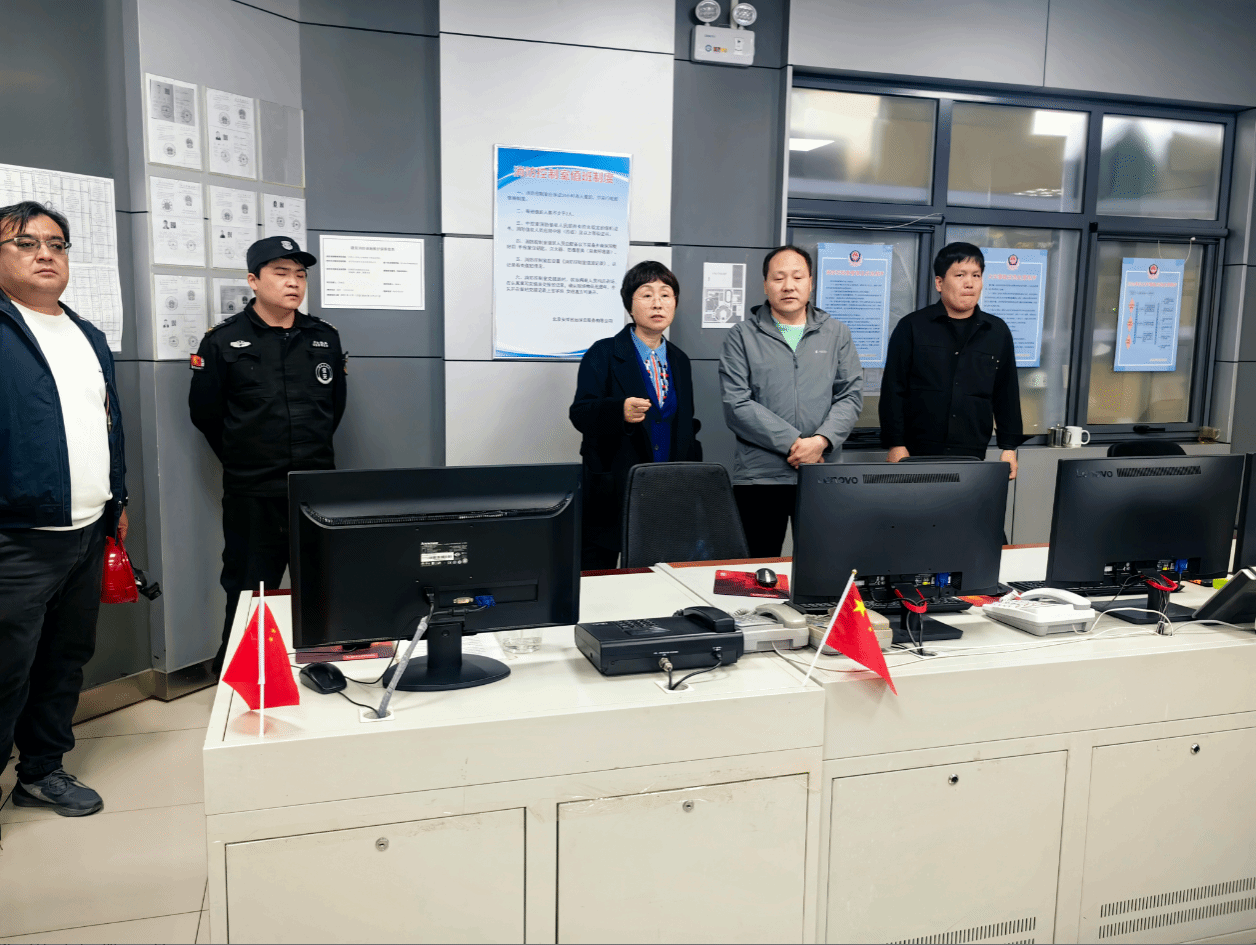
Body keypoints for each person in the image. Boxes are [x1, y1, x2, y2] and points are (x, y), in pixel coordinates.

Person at [0, 200, 128, 818]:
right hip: (16, 537)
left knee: (63, 663)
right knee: (4, 672)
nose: (45, 254)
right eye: (25, 243)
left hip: (85, 532)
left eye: (56, 244)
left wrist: (117, 499)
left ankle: (41, 772)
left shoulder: (87, 335)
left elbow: (109, 425)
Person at [189, 237, 346, 673]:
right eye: (281, 273)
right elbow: (206, 415)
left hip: (315, 490)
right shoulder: (223, 341)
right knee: (248, 589)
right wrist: (248, 458)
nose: (293, 283)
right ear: (253, 281)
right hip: (254, 492)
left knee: (320, 588)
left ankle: (318, 672)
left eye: (300, 275)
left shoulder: (324, 337)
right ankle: (238, 683)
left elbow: (333, 410)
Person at [719, 245, 863, 558]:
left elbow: (850, 395)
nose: (788, 286)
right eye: (779, 278)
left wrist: (821, 442)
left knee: (822, 564)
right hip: (759, 477)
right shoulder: (741, 335)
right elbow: (737, 404)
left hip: (821, 473)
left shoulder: (836, 333)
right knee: (758, 570)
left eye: (797, 277)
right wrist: (796, 444)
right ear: (765, 285)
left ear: (811, 282)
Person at [569, 260, 702, 570]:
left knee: (657, 574)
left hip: (666, 489)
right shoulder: (603, 352)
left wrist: (690, 477)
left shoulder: (680, 360)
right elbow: (580, 413)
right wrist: (619, 411)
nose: (657, 303)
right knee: (599, 574)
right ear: (629, 304)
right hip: (613, 486)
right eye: (646, 294)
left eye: (665, 294)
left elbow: (686, 424)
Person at [879, 243, 1023, 478]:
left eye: (976, 275)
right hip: (915, 452)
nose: (970, 283)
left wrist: (1009, 447)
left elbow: (1006, 393)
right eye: (960, 275)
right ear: (939, 283)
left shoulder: (997, 331)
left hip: (972, 454)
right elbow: (893, 390)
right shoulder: (912, 327)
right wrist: (896, 444)